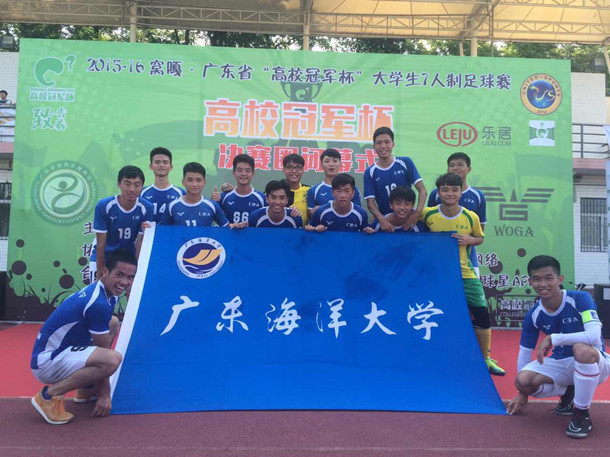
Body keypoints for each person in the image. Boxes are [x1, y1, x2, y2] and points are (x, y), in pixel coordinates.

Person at [506, 255, 610, 439]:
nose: (543, 284)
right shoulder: (534, 314)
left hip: (595, 360)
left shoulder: (581, 299)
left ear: (559, 279)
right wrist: (522, 393)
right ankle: (569, 391)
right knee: (523, 380)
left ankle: (581, 415)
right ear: (530, 282)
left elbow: (594, 336)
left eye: (549, 278)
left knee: (581, 349)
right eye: (537, 279)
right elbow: (525, 352)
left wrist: (554, 338)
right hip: (561, 362)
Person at [30, 250, 137, 424]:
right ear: (105, 271)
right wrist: (105, 394)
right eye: (119, 275)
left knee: (113, 323)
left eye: (130, 277)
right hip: (47, 362)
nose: (124, 282)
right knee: (112, 360)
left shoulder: (107, 293)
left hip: (59, 353)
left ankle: (85, 388)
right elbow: (103, 352)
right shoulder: (98, 303)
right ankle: (48, 396)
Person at [420, 173, 505, 376]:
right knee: (435, 315)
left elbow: (480, 238)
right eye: (445, 190)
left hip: (465, 274)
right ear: (438, 193)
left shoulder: (470, 216)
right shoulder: (427, 215)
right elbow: (408, 226)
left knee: (481, 313)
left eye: (454, 189)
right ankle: (437, 355)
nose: (450, 193)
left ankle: (485, 359)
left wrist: (470, 240)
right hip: (437, 277)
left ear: (460, 192)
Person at [90, 165, 153, 281]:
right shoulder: (104, 206)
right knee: (98, 290)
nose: (132, 189)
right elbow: (101, 244)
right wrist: (100, 273)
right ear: (119, 184)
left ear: (142, 186)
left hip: (127, 258)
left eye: (137, 185)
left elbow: (140, 243)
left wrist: (136, 272)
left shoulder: (147, 207)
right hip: (105, 256)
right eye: (127, 184)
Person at [428, 152, 485, 275]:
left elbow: (480, 231)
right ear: (447, 170)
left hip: (467, 255)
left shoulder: (478, 196)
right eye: (452, 165)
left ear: (468, 169)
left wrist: (470, 240)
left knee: (471, 285)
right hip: (439, 254)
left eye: (460, 165)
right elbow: (428, 223)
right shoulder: (435, 194)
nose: (455, 168)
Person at [364, 126, 427, 232]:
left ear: (393, 144)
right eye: (379, 143)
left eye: (387, 142)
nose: (383, 146)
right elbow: (370, 203)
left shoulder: (405, 162)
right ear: (374, 146)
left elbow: (422, 190)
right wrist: (381, 219)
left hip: (408, 220)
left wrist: (417, 213)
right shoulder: (370, 172)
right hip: (386, 224)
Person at [162, 162, 244, 228]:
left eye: (198, 180)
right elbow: (161, 231)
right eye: (190, 180)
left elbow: (227, 227)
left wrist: (236, 226)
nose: (194, 184)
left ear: (204, 182)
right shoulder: (172, 206)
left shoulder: (212, 206)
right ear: (183, 182)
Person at [307, 173, 373, 233]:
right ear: (333, 192)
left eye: (347, 191)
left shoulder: (361, 214)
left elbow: (364, 235)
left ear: (353, 193)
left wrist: (367, 231)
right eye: (339, 191)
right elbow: (310, 231)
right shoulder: (321, 212)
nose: (342, 196)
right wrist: (314, 229)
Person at [307, 148, 362, 218]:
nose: (331, 164)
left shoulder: (352, 189)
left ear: (340, 164)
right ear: (321, 165)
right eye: (327, 161)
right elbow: (310, 216)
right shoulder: (314, 190)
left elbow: (358, 213)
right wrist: (318, 211)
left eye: (335, 161)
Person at [212, 154, 266, 224]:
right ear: (234, 173)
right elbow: (212, 216)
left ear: (253, 173)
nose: (243, 174)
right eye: (239, 170)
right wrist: (213, 202)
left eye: (247, 170)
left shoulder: (262, 198)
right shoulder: (224, 197)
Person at [140, 147, 185, 224]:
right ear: (151, 166)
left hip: (171, 232)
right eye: (157, 162)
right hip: (148, 232)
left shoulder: (181, 193)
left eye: (165, 162)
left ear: (171, 167)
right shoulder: (142, 192)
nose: (161, 165)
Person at [282, 153, 311, 225]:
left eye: (298, 167)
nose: (294, 171)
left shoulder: (309, 191)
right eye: (290, 167)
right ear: (283, 170)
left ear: (303, 171)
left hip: (303, 231)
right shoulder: (276, 191)